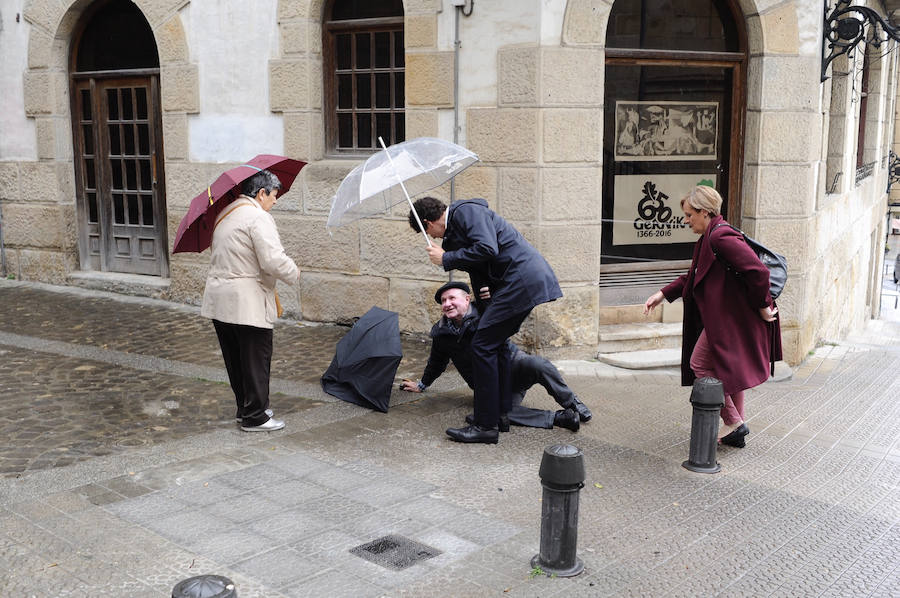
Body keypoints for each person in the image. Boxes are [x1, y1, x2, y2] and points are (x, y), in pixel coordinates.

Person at [409, 197, 563, 444]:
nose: (433, 239)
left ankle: (485, 426)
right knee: (496, 343)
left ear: (428, 223)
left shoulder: (466, 212)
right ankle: (499, 415)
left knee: (482, 345)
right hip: (518, 283)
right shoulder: (460, 224)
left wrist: (446, 258)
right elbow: (478, 267)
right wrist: (484, 305)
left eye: (427, 233)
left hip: (521, 280)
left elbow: (487, 248)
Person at [643, 185, 782, 448]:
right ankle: (734, 432)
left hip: (731, 319)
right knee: (730, 371)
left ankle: (735, 423)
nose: (685, 221)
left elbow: (758, 272)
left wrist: (764, 305)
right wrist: (663, 293)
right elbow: (693, 275)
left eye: (688, 215)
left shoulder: (720, 238)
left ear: (704, 212)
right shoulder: (708, 238)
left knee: (700, 365)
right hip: (727, 318)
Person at [400, 281, 591, 435]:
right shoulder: (441, 333)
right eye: (443, 300)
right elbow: (436, 362)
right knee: (494, 413)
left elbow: (508, 307)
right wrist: (422, 385)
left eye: (452, 298)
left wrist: (492, 296)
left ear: (467, 300)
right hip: (490, 386)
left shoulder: (486, 312)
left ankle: (573, 404)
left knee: (538, 364)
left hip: (513, 367)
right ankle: (561, 418)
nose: (447, 303)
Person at [200, 169, 299, 432]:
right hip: (247, 302)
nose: (275, 201)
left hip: (220, 299)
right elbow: (272, 260)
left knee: (235, 359)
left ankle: (245, 409)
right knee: (256, 358)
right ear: (261, 193)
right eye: (274, 195)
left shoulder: (225, 213)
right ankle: (256, 416)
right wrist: (295, 272)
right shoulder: (258, 217)